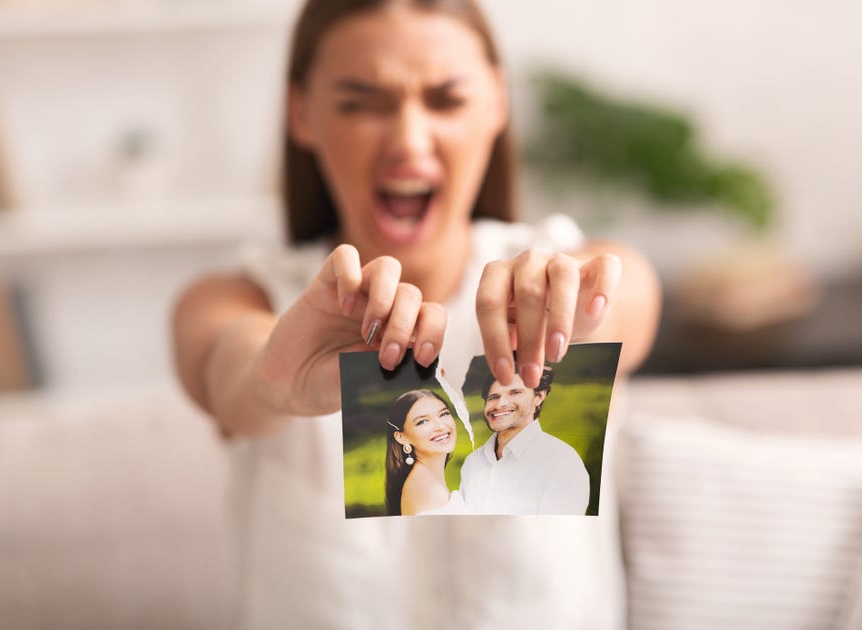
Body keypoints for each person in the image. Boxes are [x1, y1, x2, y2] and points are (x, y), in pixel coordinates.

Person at [171, 0, 661, 627]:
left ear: (497, 103)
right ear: (302, 113)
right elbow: (230, 367)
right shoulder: (240, 299)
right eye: (360, 103)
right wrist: (273, 383)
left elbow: (630, 294)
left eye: (446, 100)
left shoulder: (558, 270)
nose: (407, 141)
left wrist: (580, 306)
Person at [461, 365, 590, 515]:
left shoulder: (561, 461)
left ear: (539, 396)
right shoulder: (473, 462)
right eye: (493, 397)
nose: (500, 404)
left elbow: (559, 534)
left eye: (515, 393)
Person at [385, 389, 468, 515]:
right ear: (402, 437)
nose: (440, 426)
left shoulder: (423, 479)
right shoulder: (428, 490)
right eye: (422, 421)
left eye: (443, 414)